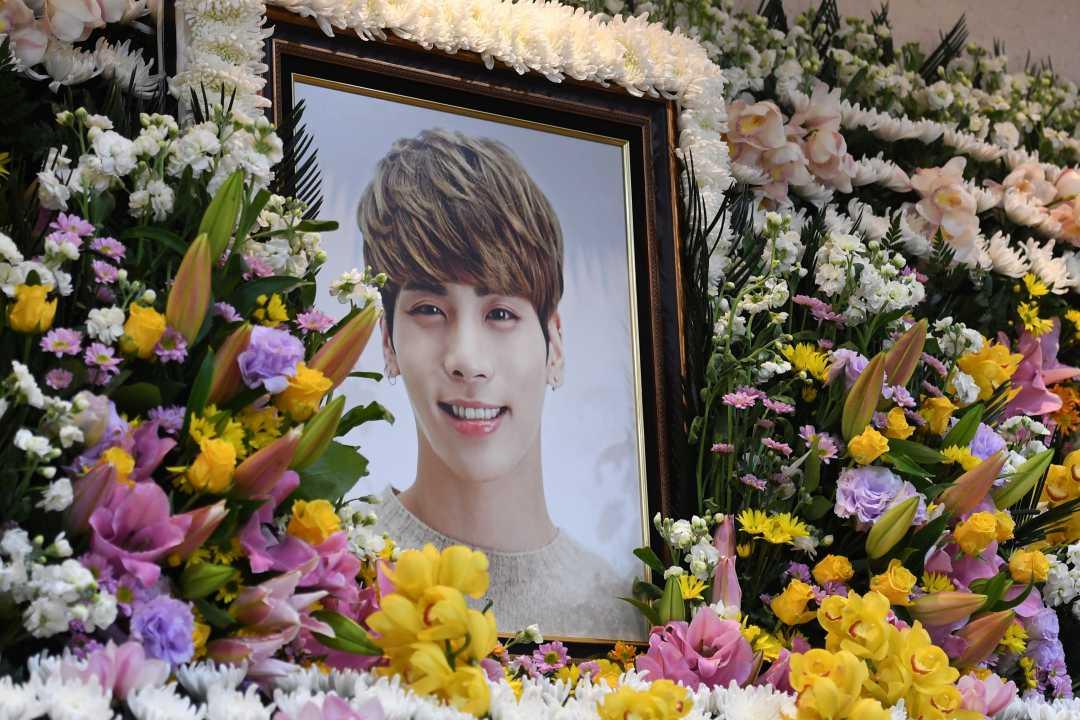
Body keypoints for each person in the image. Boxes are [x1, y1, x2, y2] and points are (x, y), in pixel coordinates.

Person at [357, 127, 642, 639]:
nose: (467, 361)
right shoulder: (329, 566)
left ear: (555, 344)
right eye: (429, 309)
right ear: (387, 342)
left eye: (502, 313)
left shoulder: (623, 616)